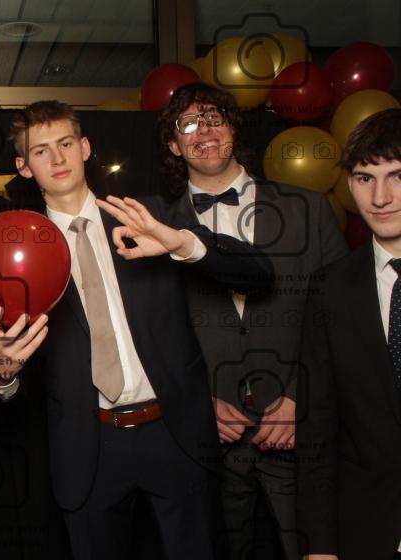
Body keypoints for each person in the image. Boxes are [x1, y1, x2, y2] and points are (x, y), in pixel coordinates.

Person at [0, 100, 274, 559]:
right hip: (89, 448)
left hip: (175, 435)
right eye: (40, 151)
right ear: (23, 167)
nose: (57, 158)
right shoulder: (16, 252)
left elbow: (259, 275)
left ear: (85, 148)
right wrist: (1, 371)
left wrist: (182, 243)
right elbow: (8, 391)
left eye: (65, 144)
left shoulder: (146, 216)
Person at [158, 82, 348, 560]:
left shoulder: (308, 210)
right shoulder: (155, 229)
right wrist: (198, 404)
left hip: (299, 432)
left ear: (234, 128)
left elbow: (343, 323)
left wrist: (300, 397)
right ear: (173, 144)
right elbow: (151, 337)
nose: (204, 132)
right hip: (209, 443)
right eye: (188, 124)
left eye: (215, 118)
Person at [297, 108, 401, 559]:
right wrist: (320, 545)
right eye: (364, 178)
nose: (380, 197)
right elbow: (317, 427)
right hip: (366, 529)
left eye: (397, 176)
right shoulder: (329, 289)